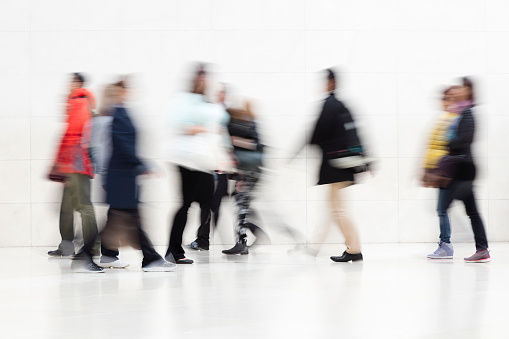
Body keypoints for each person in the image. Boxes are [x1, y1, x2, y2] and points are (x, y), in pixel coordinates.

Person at [87, 79, 176, 272]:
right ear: (119, 92)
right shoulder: (116, 114)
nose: (129, 92)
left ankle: (100, 256)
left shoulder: (119, 112)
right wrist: (142, 164)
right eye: (125, 89)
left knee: (120, 221)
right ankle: (150, 258)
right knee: (130, 220)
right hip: (121, 177)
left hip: (124, 176)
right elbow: (120, 146)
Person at [166, 65, 231, 264]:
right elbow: (178, 124)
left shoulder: (205, 102)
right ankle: (174, 250)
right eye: (200, 76)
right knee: (186, 204)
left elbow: (220, 123)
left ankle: (205, 240)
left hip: (203, 161)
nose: (204, 80)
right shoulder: (184, 100)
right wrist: (201, 128)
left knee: (207, 202)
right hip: (186, 160)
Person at [426, 78, 490, 263]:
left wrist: (449, 142)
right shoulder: (462, 112)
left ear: (469, 91)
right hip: (460, 169)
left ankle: (456, 246)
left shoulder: (468, 114)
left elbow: (464, 140)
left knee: (457, 209)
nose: (459, 91)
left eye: (463, 88)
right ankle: (480, 248)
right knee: (467, 211)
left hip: (464, 169)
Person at [309, 69, 365, 262]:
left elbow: (318, 133)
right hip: (343, 165)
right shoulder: (341, 105)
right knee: (335, 209)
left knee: (338, 210)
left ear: (331, 83)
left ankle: (354, 249)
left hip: (336, 166)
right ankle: (347, 247)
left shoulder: (330, 104)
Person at [47, 73, 100, 260]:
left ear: (78, 84)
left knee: (84, 206)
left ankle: (92, 248)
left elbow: (72, 136)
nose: (69, 86)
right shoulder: (81, 101)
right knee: (67, 207)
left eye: (72, 82)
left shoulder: (80, 100)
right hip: (75, 163)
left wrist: (63, 166)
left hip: (77, 163)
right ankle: (67, 245)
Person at [222, 100, 266, 255]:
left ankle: (243, 242)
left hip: (247, 171)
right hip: (255, 170)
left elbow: (254, 145)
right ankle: (251, 236)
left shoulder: (236, 125)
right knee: (242, 203)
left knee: (241, 205)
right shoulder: (249, 122)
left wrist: (233, 141)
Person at [422, 86, 461, 259]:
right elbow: (432, 146)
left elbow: (445, 148)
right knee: (442, 209)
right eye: (444, 99)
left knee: (442, 209)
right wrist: (428, 169)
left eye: (448, 99)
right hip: (441, 171)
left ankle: (446, 244)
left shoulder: (453, 120)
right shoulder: (444, 119)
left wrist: (435, 169)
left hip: (447, 172)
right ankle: (445, 244)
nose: (444, 102)